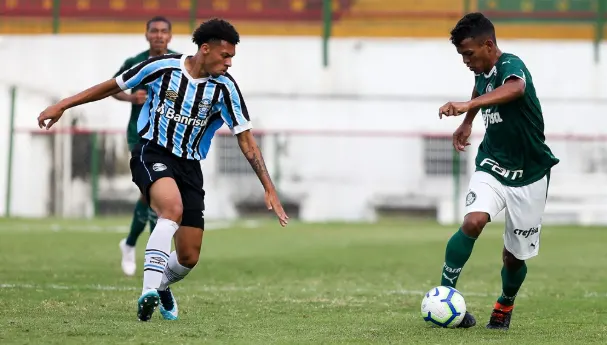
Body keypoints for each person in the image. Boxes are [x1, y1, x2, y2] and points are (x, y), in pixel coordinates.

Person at [38, 18, 289, 322]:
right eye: (225, 56)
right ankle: (148, 293)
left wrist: (269, 187)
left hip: (189, 166)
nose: (229, 63)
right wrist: (63, 105)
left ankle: (162, 286)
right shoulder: (161, 67)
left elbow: (246, 140)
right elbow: (112, 85)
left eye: (232, 57)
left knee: (188, 257)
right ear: (205, 49)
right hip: (152, 151)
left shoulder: (225, 89)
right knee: (171, 208)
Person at [437, 12, 559, 330]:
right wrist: (467, 123)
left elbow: (516, 88)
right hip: (492, 163)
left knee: (513, 258)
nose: (466, 61)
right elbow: (479, 91)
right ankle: (443, 295)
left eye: (469, 54)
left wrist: (464, 106)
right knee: (473, 220)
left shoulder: (510, 66)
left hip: (530, 173)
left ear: (488, 44)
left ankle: (504, 303)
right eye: (462, 55)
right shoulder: (482, 72)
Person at [113, 16, 179, 277]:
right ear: (147, 34)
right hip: (139, 135)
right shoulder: (134, 62)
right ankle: (156, 259)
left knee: (150, 196)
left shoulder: (178, 62)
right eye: (154, 31)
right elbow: (114, 87)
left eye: (164, 31)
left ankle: (129, 243)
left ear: (170, 36)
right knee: (154, 195)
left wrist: (164, 95)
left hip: (168, 137)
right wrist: (131, 97)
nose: (159, 35)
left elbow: (181, 92)